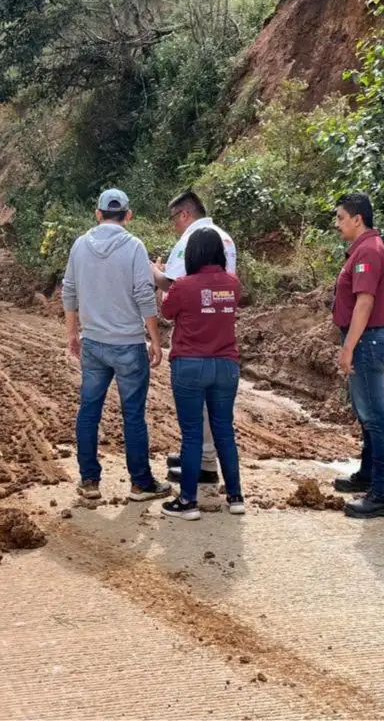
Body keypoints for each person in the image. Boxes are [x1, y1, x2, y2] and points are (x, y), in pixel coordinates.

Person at [62, 188, 173, 503]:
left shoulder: (80, 245)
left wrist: (72, 334)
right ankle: (140, 483)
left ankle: (89, 482)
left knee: (89, 411)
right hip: (128, 345)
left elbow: (68, 290)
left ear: (97, 214)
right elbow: (143, 293)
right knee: (133, 414)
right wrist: (154, 338)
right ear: (128, 215)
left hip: (93, 343)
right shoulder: (134, 247)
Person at [151, 190, 237, 487]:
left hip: (193, 338)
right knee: (219, 415)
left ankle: (201, 464)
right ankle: (215, 469)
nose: (174, 225)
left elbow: (174, 287)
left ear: (184, 214)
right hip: (222, 334)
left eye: (173, 219)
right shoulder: (223, 236)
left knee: (195, 410)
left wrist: (154, 272)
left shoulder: (192, 238)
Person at [159, 228, 244, 520]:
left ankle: (188, 502)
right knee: (224, 431)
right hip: (226, 365)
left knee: (192, 434)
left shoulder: (183, 285)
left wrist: (160, 280)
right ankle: (235, 497)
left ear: (193, 254)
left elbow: (167, 312)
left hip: (190, 365)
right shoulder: (233, 284)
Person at [329, 192, 384, 518]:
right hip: (364, 339)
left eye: (341, 217)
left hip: (366, 341)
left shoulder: (368, 251)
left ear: (358, 219)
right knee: (367, 413)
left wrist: (349, 347)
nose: (338, 223)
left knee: (375, 417)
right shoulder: (364, 249)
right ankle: (369, 476)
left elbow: (365, 302)